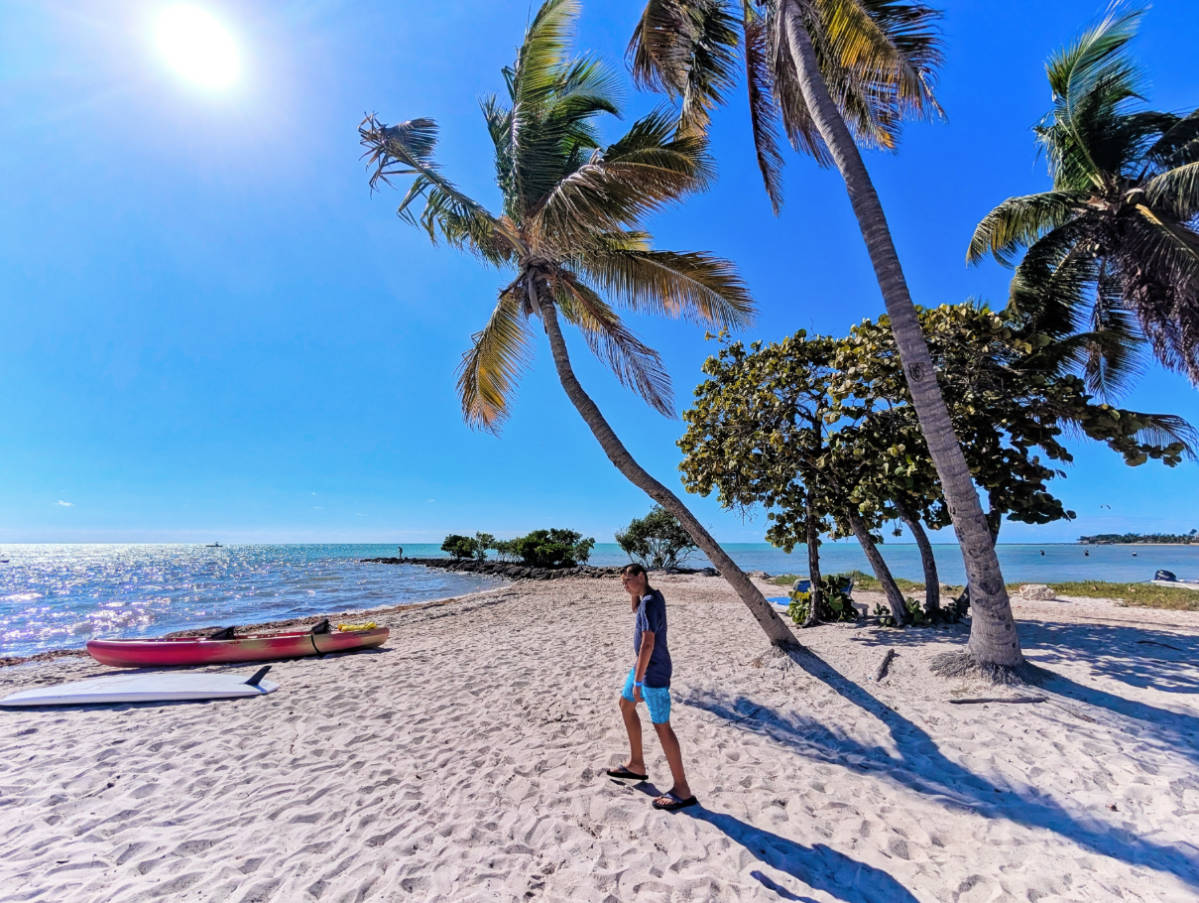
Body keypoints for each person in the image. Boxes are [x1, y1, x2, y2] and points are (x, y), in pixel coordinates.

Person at [605, 563, 697, 811]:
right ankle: (636, 765)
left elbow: (648, 643)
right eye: (622, 582)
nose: (625, 585)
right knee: (625, 705)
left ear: (642, 576)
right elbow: (635, 609)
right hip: (641, 667)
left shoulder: (650, 603)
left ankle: (682, 789)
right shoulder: (651, 597)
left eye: (628, 580)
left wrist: (638, 682)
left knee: (662, 727)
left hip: (653, 672)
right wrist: (633, 591)